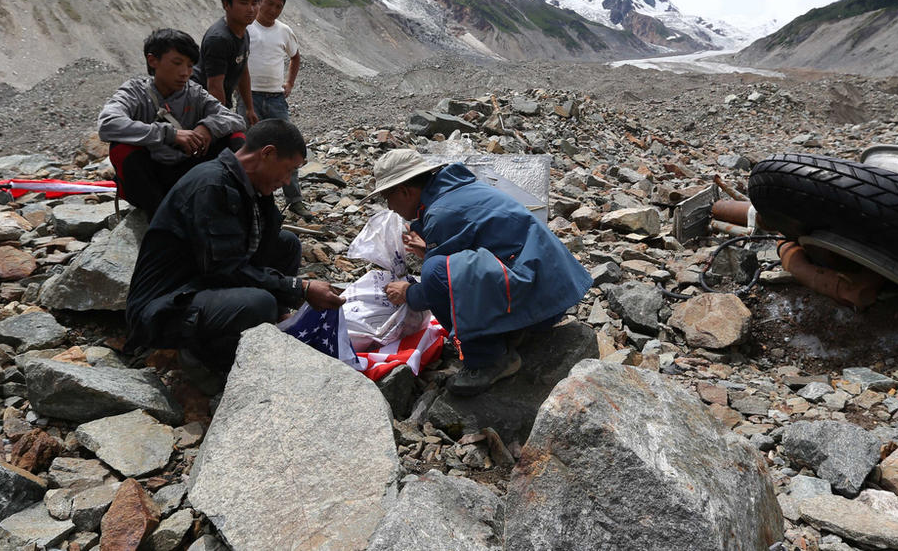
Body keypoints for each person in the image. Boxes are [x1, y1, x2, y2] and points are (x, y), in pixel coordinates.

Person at [126, 119, 345, 372]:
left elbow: (257, 249)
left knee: (287, 244)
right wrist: (301, 287)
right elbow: (224, 269)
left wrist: (290, 294)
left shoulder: (250, 186)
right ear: (267, 154)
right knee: (259, 303)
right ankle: (203, 357)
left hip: (202, 286)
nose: (287, 181)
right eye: (288, 170)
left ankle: (277, 322)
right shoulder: (212, 186)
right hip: (165, 307)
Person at [369, 149, 591, 396]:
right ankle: (510, 331)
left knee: (434, 273)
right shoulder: (457, 191)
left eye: (386, 197)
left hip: (540, 300)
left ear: (404, 191)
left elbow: (438, 286)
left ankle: (487, 359)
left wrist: (409, 293)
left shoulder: (441, 213)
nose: (388, 206)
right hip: (554, 292)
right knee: (443, 269)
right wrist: (431, 249)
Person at [98, 28, 246, 214]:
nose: (185, 73)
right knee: (121, 148)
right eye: (177, 63)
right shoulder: (134, 91)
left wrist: (207, 128)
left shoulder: (195, 93)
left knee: (235, 137)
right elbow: (108, 123)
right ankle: (159, 219)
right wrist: (170, 134)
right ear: (153, 61)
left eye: (190, 66)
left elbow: (235, 119)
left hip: (188, 171)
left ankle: (246, 204)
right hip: (150, 176)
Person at [247, 0, 307, 217]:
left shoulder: (284, 31)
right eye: (269, 3)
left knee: (287, 146)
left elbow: (295, 56)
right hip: (249, 95)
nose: (273, 9)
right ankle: (255, 200)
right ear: (260, 2)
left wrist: (289, 83)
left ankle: (295, 199)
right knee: (251, 147)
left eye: (278, 6)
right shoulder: (247, 28)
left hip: (275, 97)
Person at [191, 0, 261, 127]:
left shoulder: (243, 32)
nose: (251, 9)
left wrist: (249, 108)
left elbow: (243, 70)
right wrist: (221, 122)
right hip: (200, 108)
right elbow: (214, 87)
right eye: (244, 3)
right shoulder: (219, 39)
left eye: (254, 3)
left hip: (217, 105)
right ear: (226, 4)